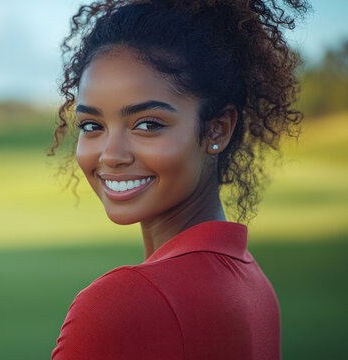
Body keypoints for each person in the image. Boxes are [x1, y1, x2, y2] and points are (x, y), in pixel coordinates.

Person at [46, 0, 309, 359]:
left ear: (218, 128)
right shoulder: (250, 283)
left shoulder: (121, 302)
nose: (111, 154)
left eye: (148, 124)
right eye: (93, 126)